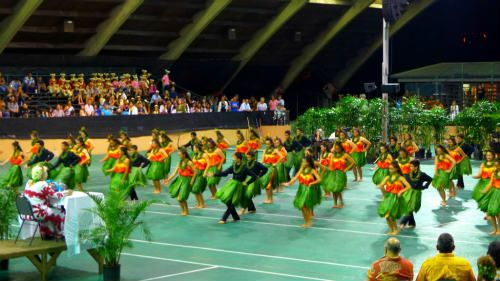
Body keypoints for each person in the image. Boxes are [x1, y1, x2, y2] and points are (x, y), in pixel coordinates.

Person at [23, 164, 69, 239]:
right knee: (60, 212)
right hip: (38, 213)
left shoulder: (29, 182)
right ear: (42, 175)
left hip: (28, 212)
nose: (47, 174)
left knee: (49, 209)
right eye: (45, 173)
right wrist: (66, 192)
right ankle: (60, 234)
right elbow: (55, 195)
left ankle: (46, 233)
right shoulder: (42, 184)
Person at [210, 152, 257, 224]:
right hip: (232, 185)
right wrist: (213, 174)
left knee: (232, 202)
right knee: (228, 201)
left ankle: (224, 218)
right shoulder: (234, 166)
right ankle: (236, 217)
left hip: (239, 187)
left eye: (234, 158)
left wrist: (247, 182)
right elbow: (225, 173)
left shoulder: (244, 168)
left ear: (239, 159)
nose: (233, 159)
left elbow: (254, 176)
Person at [284, 156, 322, 228]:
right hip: (301, 189)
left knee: (304, 206)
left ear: (308, 163)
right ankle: (307, 222)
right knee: (302, 207)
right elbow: (295, 177)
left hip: (309, 190)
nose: (302, 163)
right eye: (302, 162)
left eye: (304, 162)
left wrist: (312, 183)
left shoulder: (312, 170)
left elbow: (319, 179)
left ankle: (308, 222)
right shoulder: (301, 169)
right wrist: (288, 183)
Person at [377, 161, 411, 236]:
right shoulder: (387, 177)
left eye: (391, 169)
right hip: (388, 198)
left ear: (396, 169)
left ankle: (396, 229)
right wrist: (381, 187)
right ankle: (391, 230)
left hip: (395, 198)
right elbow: (382, 185)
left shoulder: (401, 178)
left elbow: (408, 186)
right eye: (389, 169)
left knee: (391, 215)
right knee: (386, 215)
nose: (390, 170)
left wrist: (401, 191)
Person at [400, 159, 432, 230]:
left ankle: (403, 223)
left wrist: (425, 186)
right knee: (408, 207)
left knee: (411, 208)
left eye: (411, 166)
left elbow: (430, 179)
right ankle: (412, 223)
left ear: (416, 167)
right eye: (410, 166)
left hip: (416, 193)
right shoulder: (408, 175)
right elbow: (405, 184)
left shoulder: (422, 175)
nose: (410, 168)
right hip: (408, 193)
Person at [321, 142, 354, 208]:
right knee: (334, 189)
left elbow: (353, 162)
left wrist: (346, 169)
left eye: (338, 148)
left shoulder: (345, 155)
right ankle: (335, 203)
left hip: (341, 174)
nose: (336, 150)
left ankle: (341, 202)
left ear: (341, 148)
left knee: (338, 189)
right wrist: (328, 169)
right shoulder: (333, 155)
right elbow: (330, 165)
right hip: (333, 173)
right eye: (335, 148)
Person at [165, 149, 197, 216]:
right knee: (178, 196)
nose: (179, 156)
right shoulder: (179, 162)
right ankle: (183, 211)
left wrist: (192, 181)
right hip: (180, 179)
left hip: (186, 180)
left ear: (184, 155)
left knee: (182, 197)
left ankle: (186, 211)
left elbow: (195, 172)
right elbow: (175, 172)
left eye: (180, 155)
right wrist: (169, 179)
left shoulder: (189, 162)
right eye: (178, 155)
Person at [239, 150, 267, 215]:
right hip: (249, 179)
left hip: (255, 181)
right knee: (245, 194)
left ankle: (243, 209)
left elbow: (265, 169)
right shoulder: (246, 164)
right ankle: (252, 209)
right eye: (247, 157)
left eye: (249, 157)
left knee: (248, 194)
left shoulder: (257, 164)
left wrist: (259, 175)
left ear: (253, 157)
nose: (248, 159)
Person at [478, 159, 500, 235]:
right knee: (491, 212)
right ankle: (495, 229)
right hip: (493, 193)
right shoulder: (494, 173)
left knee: (498, 214)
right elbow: (490, 184)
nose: (495, 167)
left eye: (497, 166)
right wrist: (484, 191)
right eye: (495, 166)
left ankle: (499, 229)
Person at [260, 138, 282, 204]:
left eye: (268, 144)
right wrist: (257, 164)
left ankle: (270, 199)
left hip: (272, 168)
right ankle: (269, 199)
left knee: (268, 184)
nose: (267, 145)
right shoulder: (264, 150)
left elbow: (281, 156)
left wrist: (276, 163)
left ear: (271, 144)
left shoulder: (275, 150)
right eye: (266, 144)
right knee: (267, 184)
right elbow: (263, 160)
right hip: (266, 168)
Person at [191, 144, 209, 208]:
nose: (193, 149)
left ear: (197, 148)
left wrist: (205, 172)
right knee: (194, 190)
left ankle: (203, 204)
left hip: (201, 173)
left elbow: (208, 164)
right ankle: (198, 204)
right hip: (196, 173)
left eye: (194, 148)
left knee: (197, 189)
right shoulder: (194, 155)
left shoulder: (204, 155)